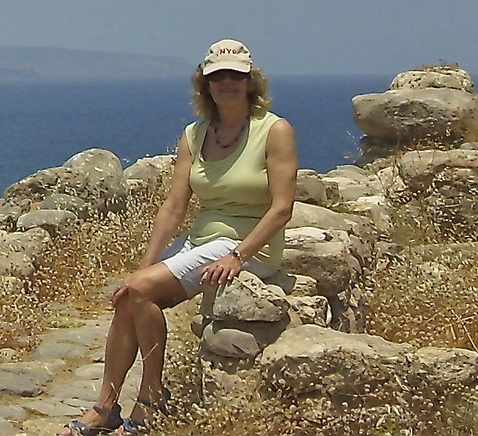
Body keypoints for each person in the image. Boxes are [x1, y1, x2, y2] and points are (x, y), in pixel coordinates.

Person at [58, 39, 298, 435]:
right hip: (204, 241)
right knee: (129, 296)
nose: (226, 82)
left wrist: (238, 255)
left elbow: (281, 208)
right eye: (217, 76)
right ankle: (107, 405)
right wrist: (146, 265)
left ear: (250, 81)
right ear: (204, 84)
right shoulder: (195, 133)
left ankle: (150, 398)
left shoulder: (274, 131)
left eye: (235, 75)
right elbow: (174, 205)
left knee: (138, 292)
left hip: (247, 245)